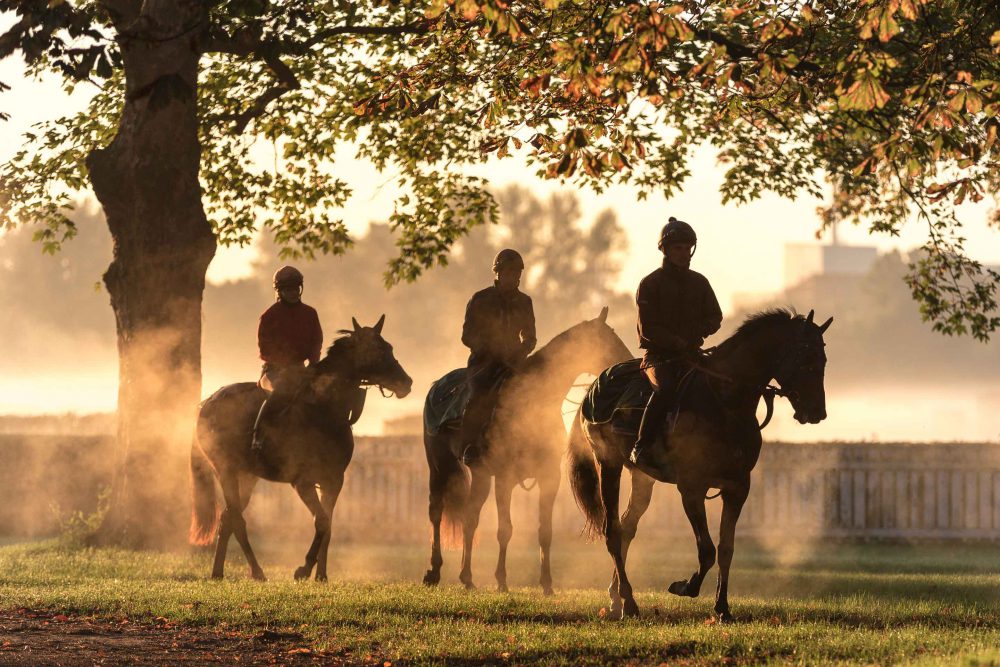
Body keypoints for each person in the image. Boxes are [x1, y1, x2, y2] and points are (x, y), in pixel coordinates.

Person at [629, 217, 722, 479]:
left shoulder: (700, 283)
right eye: (678, 248)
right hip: (657, 359)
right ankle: (642, 446)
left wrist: (698, 333)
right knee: (666, 390)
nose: (684, 253)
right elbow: (648, 329)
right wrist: (676, 342)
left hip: (691, 355)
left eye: (687, 247)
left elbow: (715, 317)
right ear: (666, 250)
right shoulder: (650, 284)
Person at [459, 249, 536, 466]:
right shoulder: (480, 299)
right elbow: (467, 335)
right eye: (510, 272)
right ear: (498, 273)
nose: (515, 277)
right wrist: (489, 350)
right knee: (479, 395)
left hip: (513, 363)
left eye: (517, 272)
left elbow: (530, 337)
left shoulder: (525, 302)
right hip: (483, 364)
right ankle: (469, 446)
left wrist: (520, 352)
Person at [251, 265, 324, 451]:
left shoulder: (310, 314)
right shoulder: (269, 316)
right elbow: (264, 349)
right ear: (279, 291)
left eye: (295, 288)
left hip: (301, 370)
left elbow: (316, 341)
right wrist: (284, 366)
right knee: (278, 394)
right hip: (274, 372)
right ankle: (258, 436)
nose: (292, 293)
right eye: (288, 289)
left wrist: (314, 364)